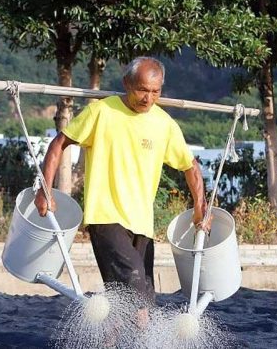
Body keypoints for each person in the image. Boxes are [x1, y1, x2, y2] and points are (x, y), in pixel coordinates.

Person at [34, 56, 208, 316]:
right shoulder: (102, 111)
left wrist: (200, 207)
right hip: (106, 218)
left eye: (155, 92)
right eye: (142, 90)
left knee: (136, 301)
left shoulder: (164, 124)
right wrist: (44, 190)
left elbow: (190, 166)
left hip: (142, 223)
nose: (148, 98)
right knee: (136, 289)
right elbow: (58, 144)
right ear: (126, 83)